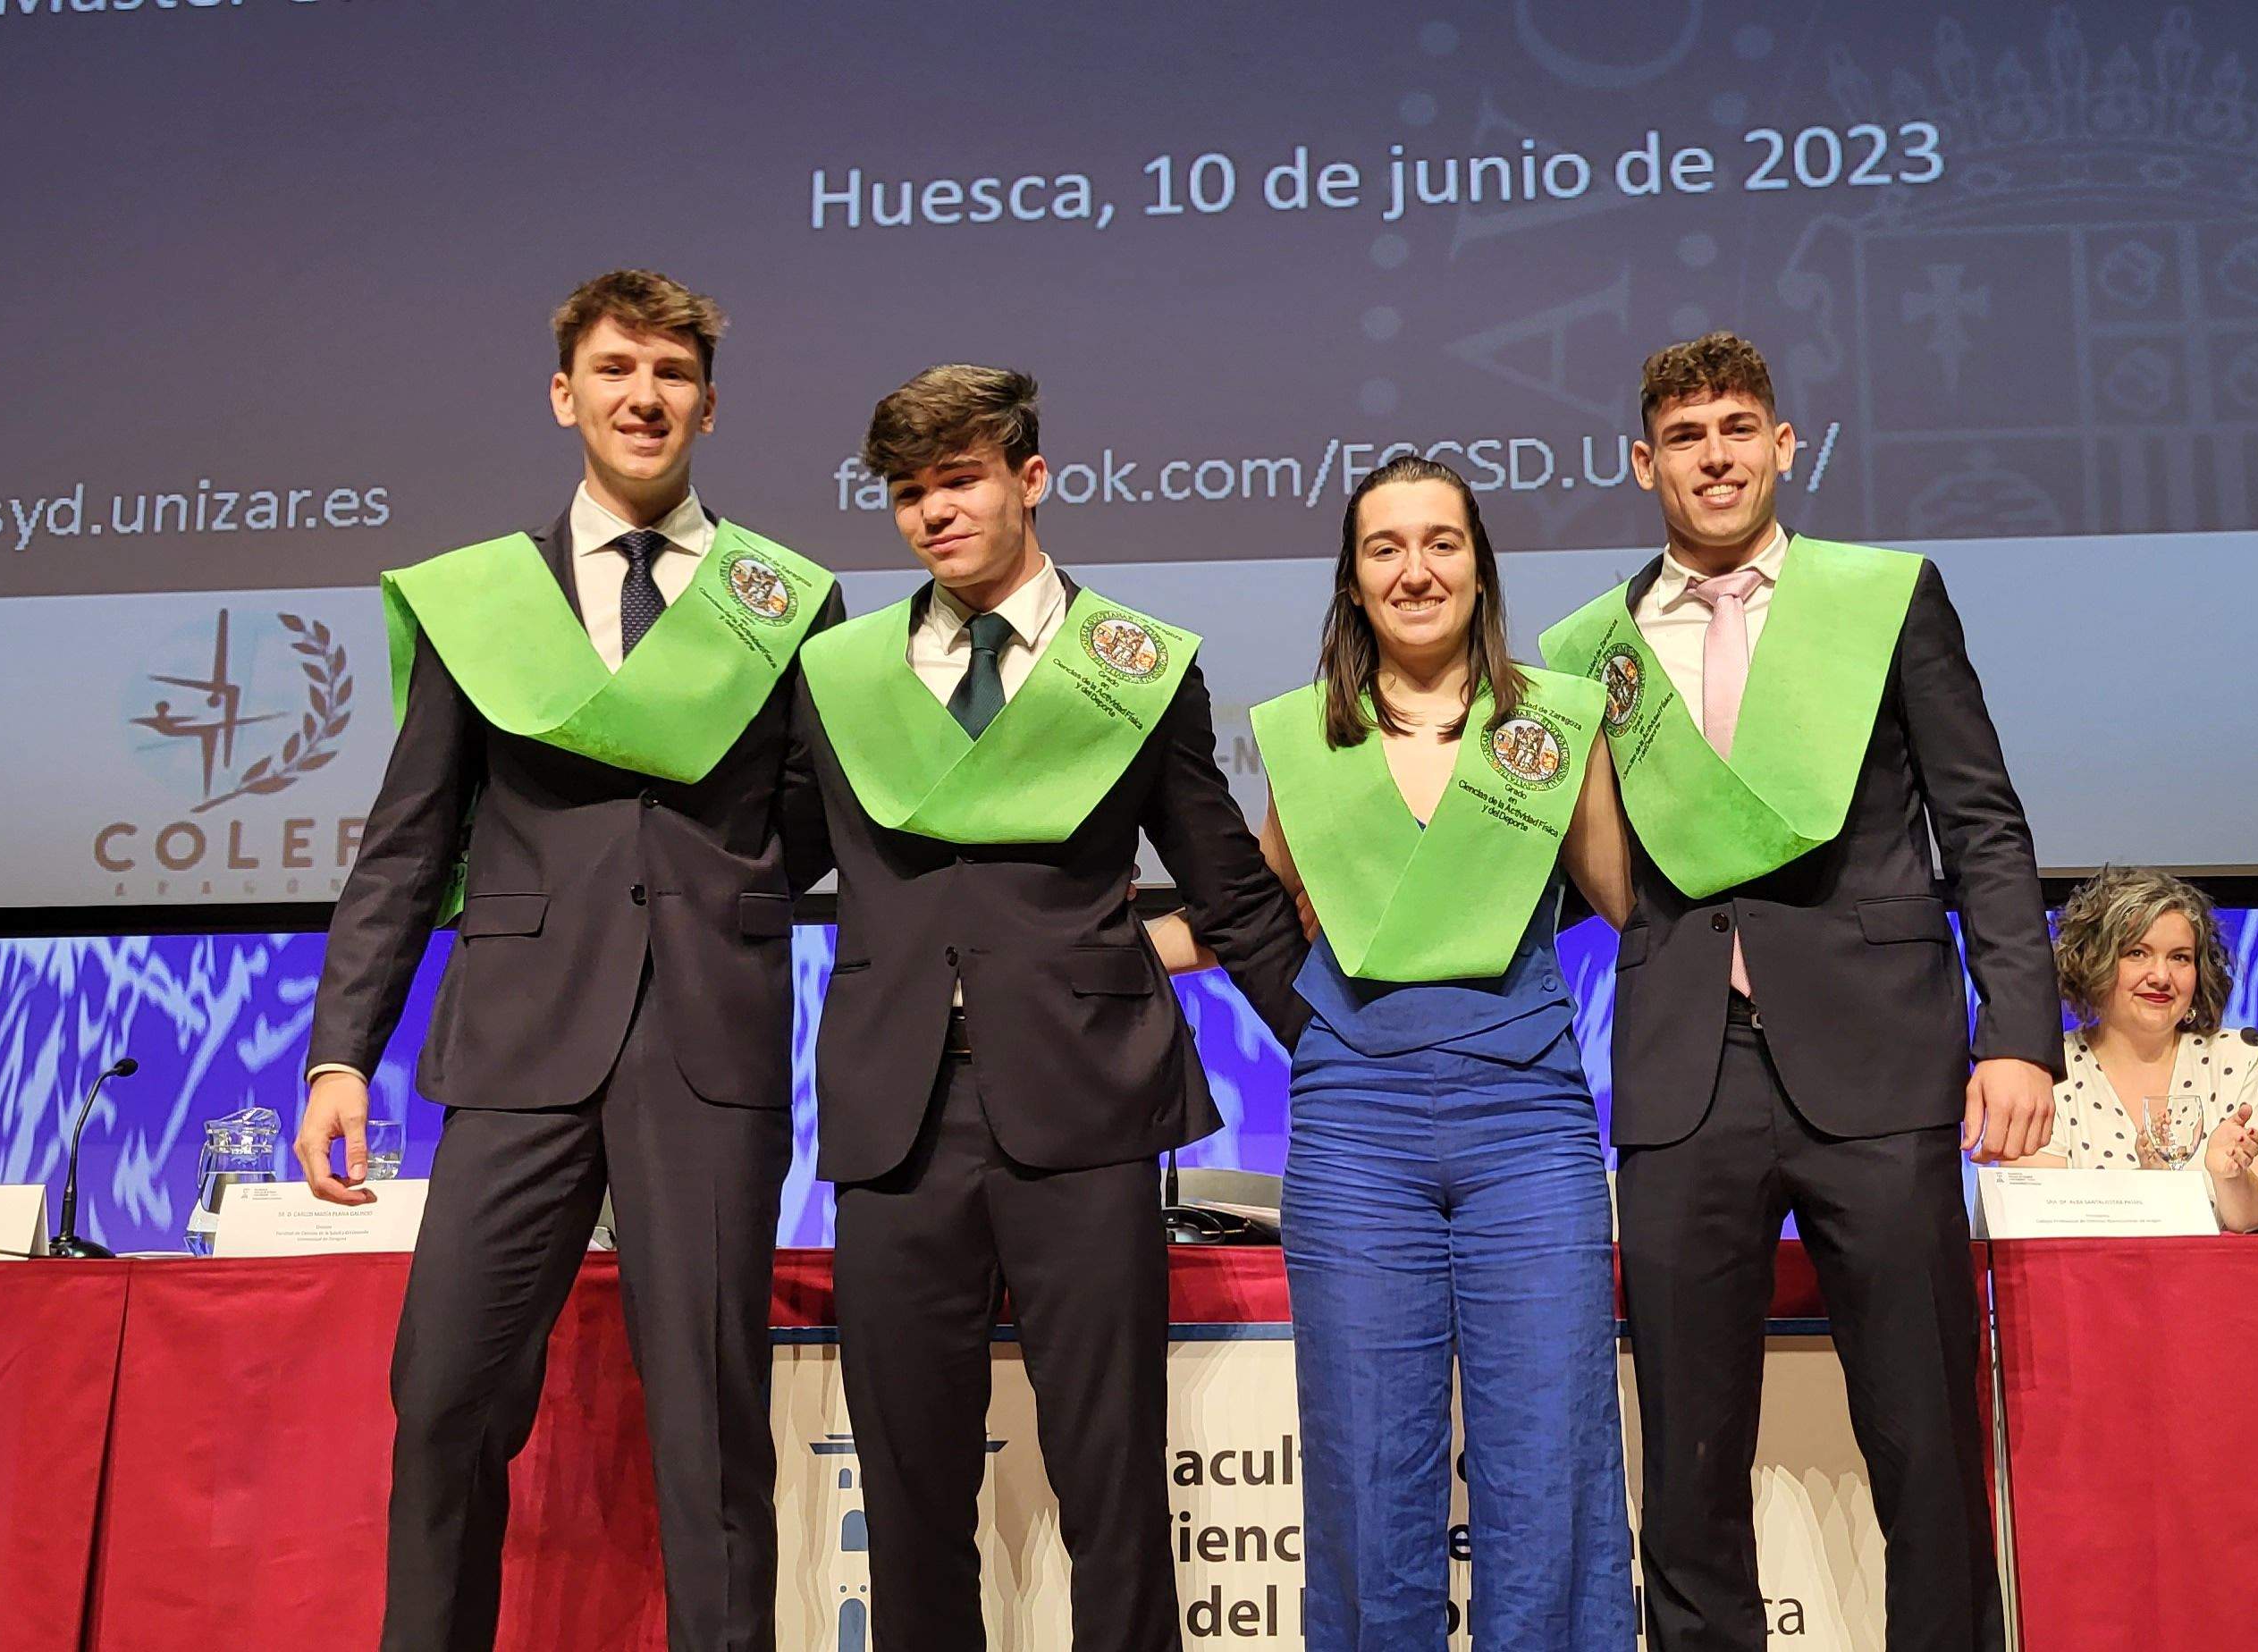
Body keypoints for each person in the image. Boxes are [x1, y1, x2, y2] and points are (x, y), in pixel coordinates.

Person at [299, 270, 840, 1652]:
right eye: (614, 369)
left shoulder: (788, 602)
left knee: (713, 1425)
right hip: (520, 1044)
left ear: (708, 406)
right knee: (444, 1395)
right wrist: (341, 1053)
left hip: (707, 1047)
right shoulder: (486, 602)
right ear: (565, 395)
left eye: (670, 374)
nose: (642, 396)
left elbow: (812, 823)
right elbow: (409, 844)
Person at [1538, 332, 2059, 1652]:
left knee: (1925, 1442)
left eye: (1738, 427)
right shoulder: (1585, 645)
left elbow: (1982, 826)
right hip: (1682, 1071)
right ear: (1641, 461)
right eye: (1687, 436)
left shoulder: (1883, 597)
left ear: (1784, 446)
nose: (1715, 456)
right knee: (1691, 1461)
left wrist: (2019, 1037)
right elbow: (1561, 870)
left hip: (1877, 1065)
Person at [786, 366, 1313, 1652]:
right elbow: (753, 863)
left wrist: (1344, 1059)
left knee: (1112, 1481)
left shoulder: (1130, 669)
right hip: (896, 1119)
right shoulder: (838, 672)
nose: (932, 515)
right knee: (909, 1493)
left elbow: (1231, 890)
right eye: (909, 494)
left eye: (958, 481)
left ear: (1029, 478)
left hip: (1083, 1107)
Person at [1151, 456, 1634, 1649]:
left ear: (1479, 567)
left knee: (1553, 1462)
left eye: (1441, 543)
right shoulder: (1306, 741)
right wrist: (1075, 946)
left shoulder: (1559, 722)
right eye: (1385, 548)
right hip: (1356, 1129)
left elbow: (1635, 904)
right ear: (1352, 582)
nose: (1416, 569)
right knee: (1367, 1468)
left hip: (1529, 1126)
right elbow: (1245, 913)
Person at [2015, 867, 2258, 1232]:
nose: (2161, 976)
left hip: (2222, 1285)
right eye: (2138, 953)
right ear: (2094, 964)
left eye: (2180, 957)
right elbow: (2035, 1227)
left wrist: (2232, 1180)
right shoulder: (2047, 1071)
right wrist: (2151, 1193)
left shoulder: (2238, 1057)